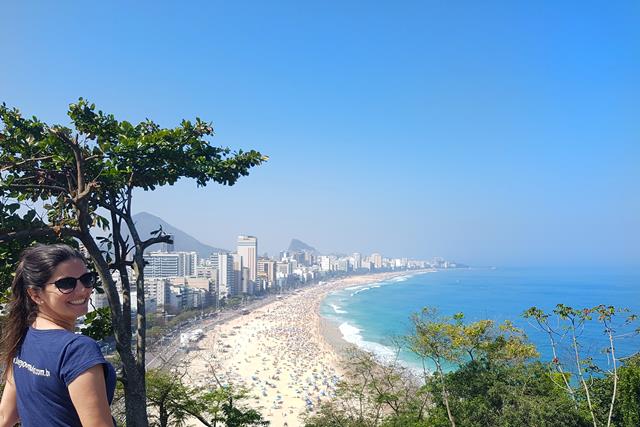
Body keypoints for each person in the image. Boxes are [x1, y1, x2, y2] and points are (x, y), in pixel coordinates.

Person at [0, 244, 116, 426]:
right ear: (35, 294)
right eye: (66, 284)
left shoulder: (23, 336)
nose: (82, 290)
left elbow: (6, 417)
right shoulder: (77, 350)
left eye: (86, 279)